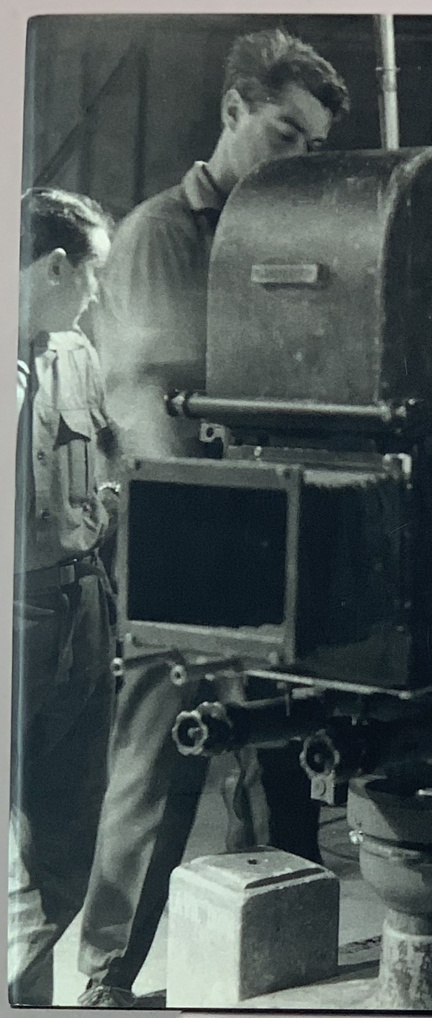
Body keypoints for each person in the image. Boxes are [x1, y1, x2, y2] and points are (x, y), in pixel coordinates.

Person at [76, 29, 349, 1008]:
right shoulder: (162, 234)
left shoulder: (281, 244)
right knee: (156, 782)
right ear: (232, 114)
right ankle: (105, 983)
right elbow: (152, 418)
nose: (296, 161)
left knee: (288, 767)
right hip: (183, 552)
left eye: (311, 147)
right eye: (283, 134)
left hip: (266, 544)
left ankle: (285, 962)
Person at [9, 188, 118, 1005]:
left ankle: (27, 997)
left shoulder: (75, 352)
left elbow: (110, 450)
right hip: (13, 620)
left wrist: (105, 505)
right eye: (93, 274)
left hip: (84, 608)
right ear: (56, 265)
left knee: (69, 833)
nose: (96, 293)